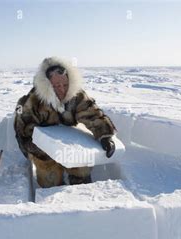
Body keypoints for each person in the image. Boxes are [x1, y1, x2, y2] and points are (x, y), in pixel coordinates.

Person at [14, 56, 117, 188]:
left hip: (71, 145)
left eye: (65, 84)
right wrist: (47, 151)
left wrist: (105, 135)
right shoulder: (31, 102)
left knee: (82, 169)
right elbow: (23, 133)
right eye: (56, 86)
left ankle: (81, 195)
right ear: (47, 85)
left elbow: (92, 114)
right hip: (42, 150)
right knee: (50, 181)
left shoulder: (76, 95)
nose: (62, 89)